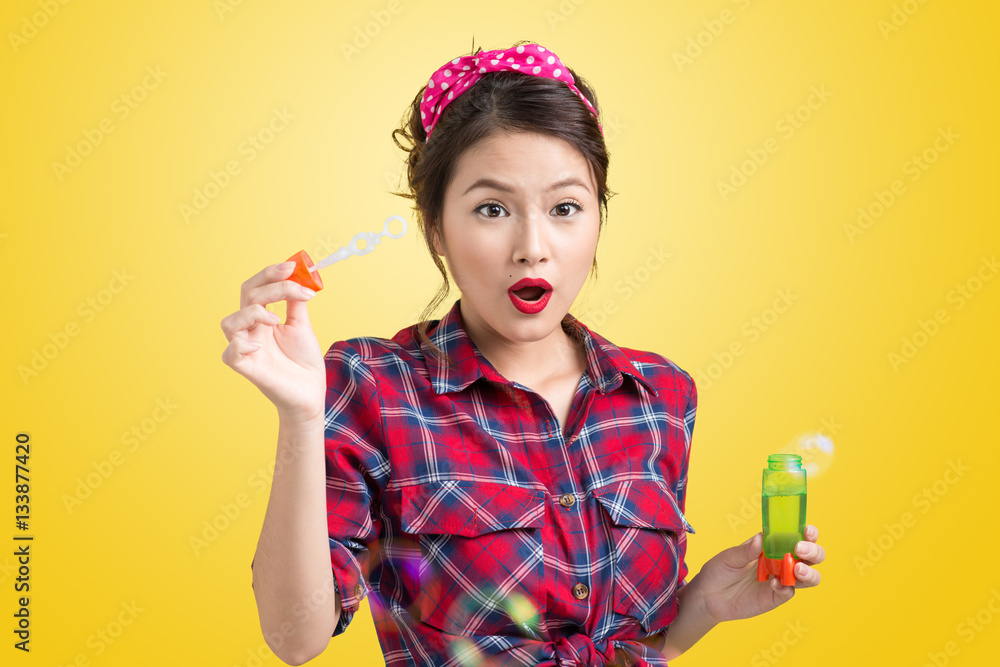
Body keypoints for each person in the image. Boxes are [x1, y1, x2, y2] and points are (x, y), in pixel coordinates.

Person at [220, 40, 826, 667]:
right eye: (491, 209)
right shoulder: (371, 386)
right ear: (437, 229)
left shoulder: (659, 394)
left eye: (565, 207)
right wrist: (299, 415)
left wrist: (705, 605)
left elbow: (636, 649)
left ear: (598, 219)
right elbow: (296, 639)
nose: (532, 247)